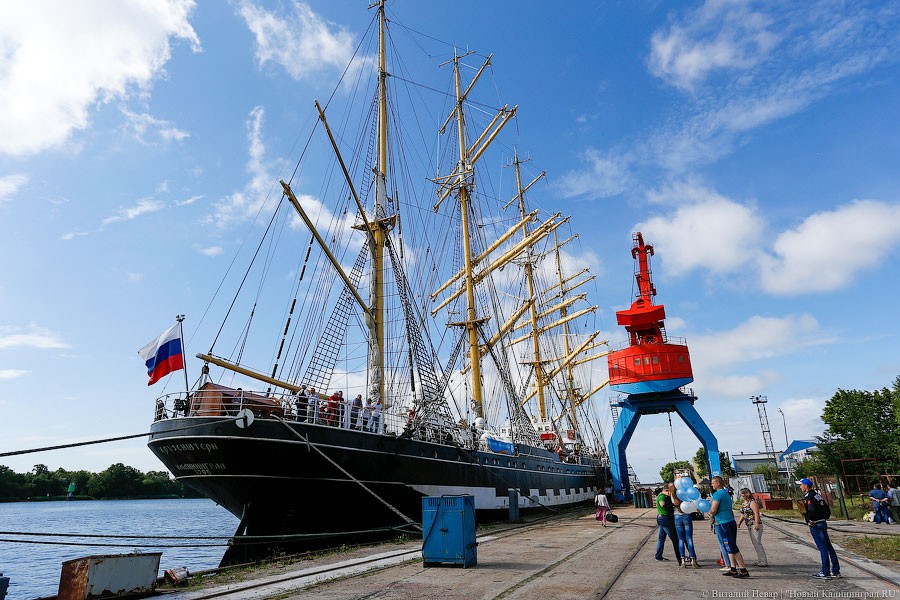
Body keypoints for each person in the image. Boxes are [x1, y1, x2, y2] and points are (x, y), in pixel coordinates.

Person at [707, 475, 749, 578]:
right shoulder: (725, 493)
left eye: (713, 483)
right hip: (730, 521)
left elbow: (714, 509)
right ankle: (733, 568)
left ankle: (743, 570)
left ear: (718, 483)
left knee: (732, 547)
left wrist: (709, 513)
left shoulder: (717, 494)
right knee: (729, 546)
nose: (712, 484)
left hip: (723, 522)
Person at [798, 477, 840, 579]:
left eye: (801, 485)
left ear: (806, 486)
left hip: (816, 524)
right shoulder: (818, 496)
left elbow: (811, 510)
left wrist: (810, 520)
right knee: (829, 547)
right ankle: (835, 570)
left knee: (822, 548)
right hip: (822, 522)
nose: (800, 487)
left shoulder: (810, 497)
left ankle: (825, 571)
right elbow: (826, 509)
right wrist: (824, 518)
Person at [736, 488, 768, 567]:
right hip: (749, 524)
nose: (742, 496)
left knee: (757, 542)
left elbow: (756, 513)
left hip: (754, 524)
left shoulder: (752, 502)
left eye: (743, 494)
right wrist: (739, 522)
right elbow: (743, 514)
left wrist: (756, 523)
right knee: (754, 543)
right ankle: (760, 559)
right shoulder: (744, 503)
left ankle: (763, 561)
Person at [670, 483, 698, 568]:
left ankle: (682, 561)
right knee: (689, 538)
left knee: (681, 539)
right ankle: (693, 559)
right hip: (686, 515)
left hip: (677, 516)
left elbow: (673, 503)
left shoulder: (673, 494)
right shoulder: (685, 492)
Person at [654, 485, 682, 564]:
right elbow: (662, 504)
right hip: (665, 519)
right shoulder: (662, 496)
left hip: (661, 518)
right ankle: (680, 556)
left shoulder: (660, 495)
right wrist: (673, 505)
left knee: (661, 538)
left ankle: (658, 555)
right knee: (674, 538)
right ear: (666, 490)